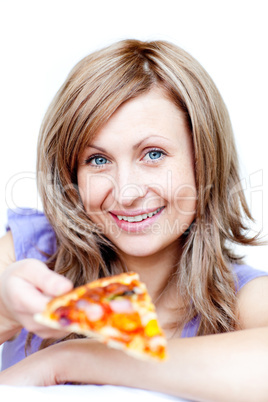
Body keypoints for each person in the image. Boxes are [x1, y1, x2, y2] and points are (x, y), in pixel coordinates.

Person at [0, 39, 268, 401]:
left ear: (203, 160)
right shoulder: (30, 253)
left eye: (153, 154)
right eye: (97, 160)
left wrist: (69, 359)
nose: (126, 192)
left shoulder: (242, 299)